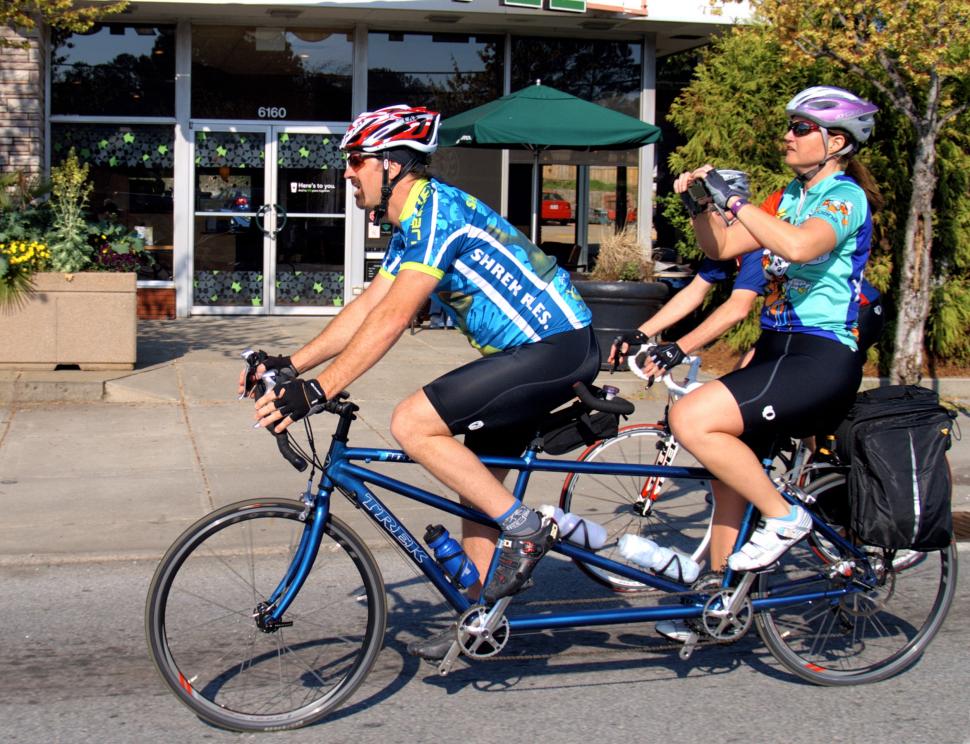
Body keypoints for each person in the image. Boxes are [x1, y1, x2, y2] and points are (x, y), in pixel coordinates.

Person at [240, 104, 600, 660]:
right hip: (522, 355)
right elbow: (369, 307)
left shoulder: (437, 213)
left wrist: (319, 391)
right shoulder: (412, 224)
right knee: (477, 491)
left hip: (555, 347)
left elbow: (394, 318)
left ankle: (527, 530)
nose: (346, 173)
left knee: (412, 421)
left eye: (354, 160)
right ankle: (483, 616)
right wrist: (293, 364)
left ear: (389, 165)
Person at [665, 86, 882, 579]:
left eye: (801, 128)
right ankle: (719, 602)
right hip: (775, 347)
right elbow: (722, 247)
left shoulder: (844, 197)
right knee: (727, 481)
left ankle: (787, 519)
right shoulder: (789, 196)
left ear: (837, 143)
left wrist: (735, 200)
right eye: (790, 126)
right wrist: (701, 206)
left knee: (691, 418)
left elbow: (802, 247)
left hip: (819, 354)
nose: (788, 136)